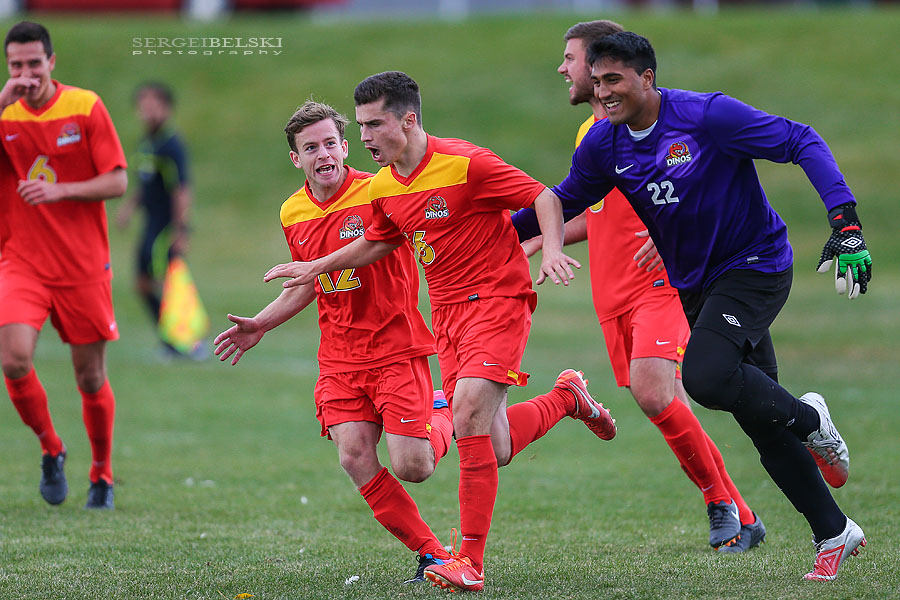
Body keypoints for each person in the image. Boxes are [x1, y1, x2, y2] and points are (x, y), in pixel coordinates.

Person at [515, 31, 870, 582]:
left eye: (616, 80)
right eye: (600, 80)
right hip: (696, 283)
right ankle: (834, 532)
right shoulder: (604, 144)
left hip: (756, 265)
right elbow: (560, 200)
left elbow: (802, 140)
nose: (605, 93)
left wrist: (845, 222)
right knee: (759, 421)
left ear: (647, 77)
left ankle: (812, 419)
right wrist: (486, 235)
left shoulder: (707, 116)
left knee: (705, 377)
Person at [262, 71, 617, 593]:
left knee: (470, 410)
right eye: (358, 126)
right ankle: (567, 398)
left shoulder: (465, 162)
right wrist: (316, 268)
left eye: (372, 125)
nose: (363, 139)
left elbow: (543, 196)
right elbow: (376, 243)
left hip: (498, 299)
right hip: (447, 315)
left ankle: (467, 561)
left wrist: (555, 247)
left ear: (407, 120)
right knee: (490, 445)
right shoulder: (385, 186)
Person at [516, 19, 763, 553]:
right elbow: (598, 212)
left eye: (571, 58)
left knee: (655, 391)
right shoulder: (596, 138)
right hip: (611, 292)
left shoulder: (647, 128)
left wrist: (682, 233)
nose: (565, 68)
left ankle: (719, 503)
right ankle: (743, 514)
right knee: (666, 399)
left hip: (660, 284)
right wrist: (544, 238)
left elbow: (686, 193)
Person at [213, 100, 457, 584]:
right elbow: (306, 281)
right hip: (340, 357)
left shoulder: (379, 191)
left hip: (395, 346)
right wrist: (261, 323)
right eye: (311, 148)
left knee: (415, 466)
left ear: (346, 147)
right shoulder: (292, 210)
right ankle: (433, 553)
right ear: (296, 159)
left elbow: (387, 243)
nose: (323, 154)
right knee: (354, 455)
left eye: (330, 144)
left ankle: (442, 405)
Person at [0, 21, 128, 509]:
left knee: (90, 378)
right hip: (22, 261)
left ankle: (102, 474)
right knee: (13, 359)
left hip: (82, 266)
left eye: (34, 63)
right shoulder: (5, 112)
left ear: (52, 62)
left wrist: (60, 191)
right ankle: (51, 448)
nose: (26, 73)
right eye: (16, 65)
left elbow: (116, 182)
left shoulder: (85, 106)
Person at [116, 82, 199, 358]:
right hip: (149, 225)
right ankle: (169, 339)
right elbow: (146, 183)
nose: (147, 112)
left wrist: (181, 229)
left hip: (165, 227)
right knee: (142, 283)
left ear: (166, 108)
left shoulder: (172, 145)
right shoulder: (147, 144)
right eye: (143, 106)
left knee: (169, 284)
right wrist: (129, 207)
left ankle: (190, 343)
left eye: (153, 106)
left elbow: (181, 189)